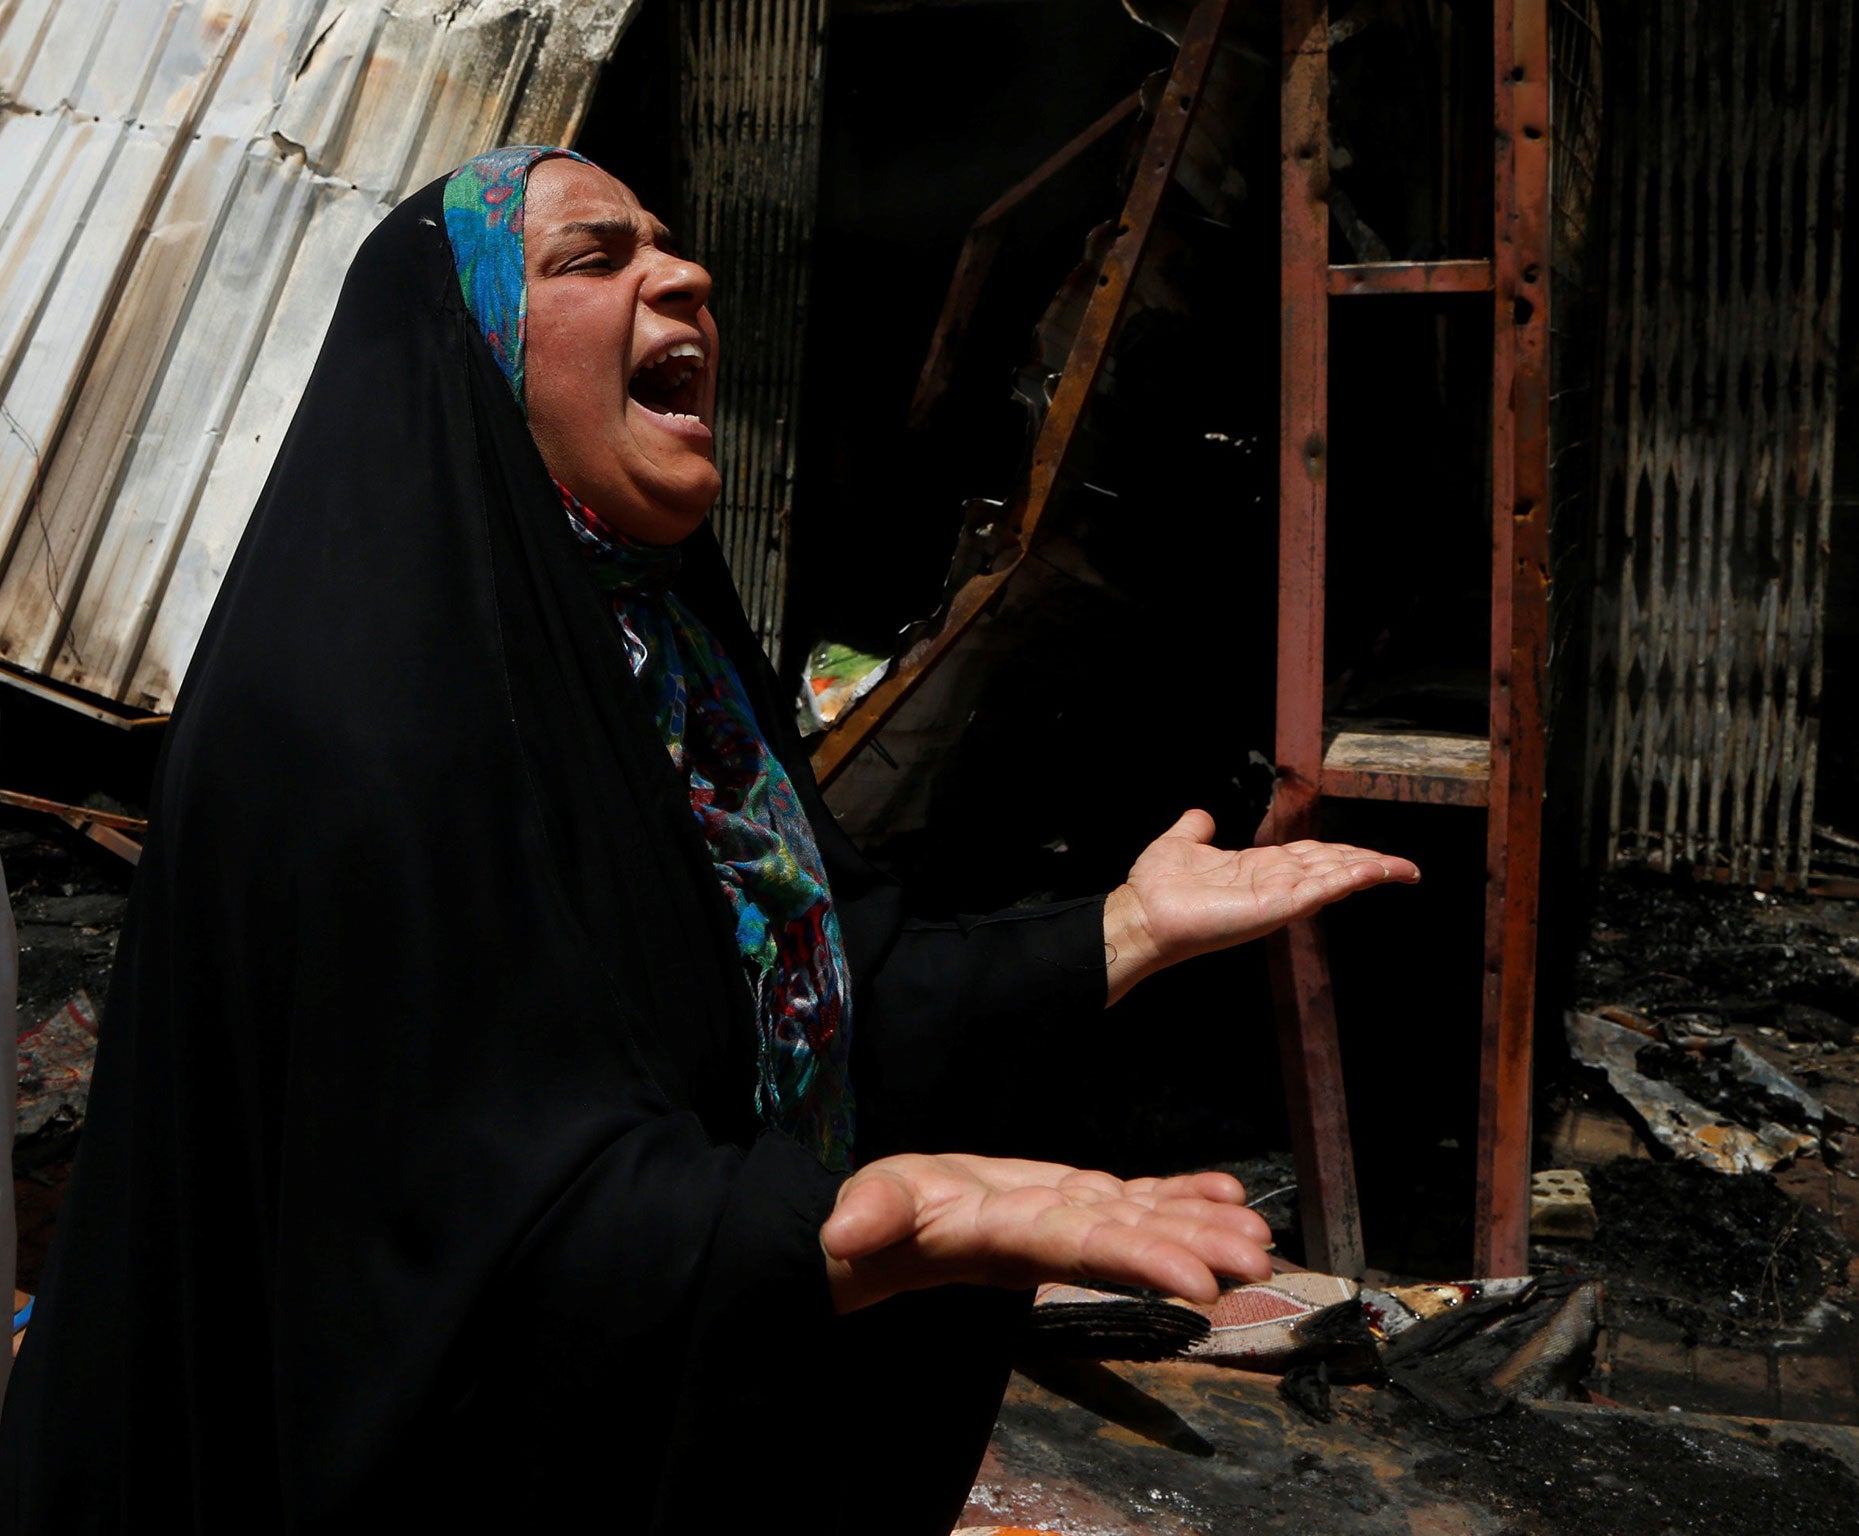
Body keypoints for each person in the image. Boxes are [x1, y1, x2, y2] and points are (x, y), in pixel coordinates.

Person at [0, 147, 1417, 1532]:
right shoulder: (350, 724)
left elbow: (818, 989)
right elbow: (442, 1236)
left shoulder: (661, 656)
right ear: (469, 353)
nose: (684, 277)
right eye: (592, 256)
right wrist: (838, 1231)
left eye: (671, 248)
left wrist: (1121, 931)